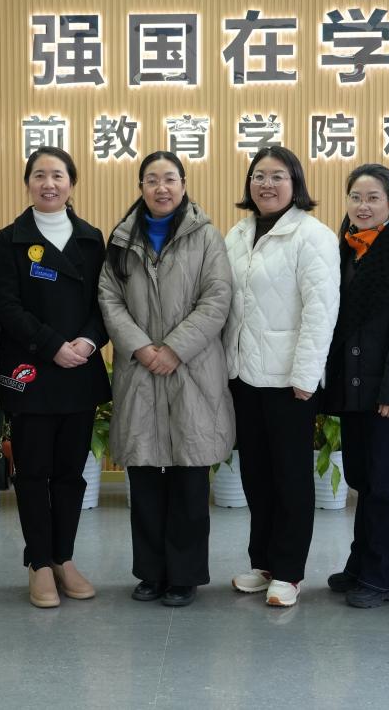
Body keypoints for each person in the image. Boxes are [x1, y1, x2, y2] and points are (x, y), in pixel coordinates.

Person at [97, 151, 234, 608]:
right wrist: (141, 347)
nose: (161, 188)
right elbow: (109, 298)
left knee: (189, 479)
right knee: (145, 480)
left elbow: (217, 298)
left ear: (183, 184)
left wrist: (175, 348)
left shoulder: (206, 236)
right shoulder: (122, 238)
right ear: (141, 187)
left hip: (192, 370)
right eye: (152, 180)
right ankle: (151, 573)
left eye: (170, 179)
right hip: (140, 370)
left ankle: (185, 575)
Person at [0, 147, 111, 608]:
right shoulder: (11, 239)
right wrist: (52, 345)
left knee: (70, 475)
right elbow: (6, 306)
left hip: (79, 371)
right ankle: (39, 562)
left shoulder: (90, 239)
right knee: (33, 473)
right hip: (31, 373)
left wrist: (88, 343)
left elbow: (105, 303)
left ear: (71, 183)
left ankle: (64, 557)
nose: (49, 183)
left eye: (58, 175)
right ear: (28, 183)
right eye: (39, 175)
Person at [224, 146, 340, 608]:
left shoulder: (313, 236)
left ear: (296, 184)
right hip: (243, 375)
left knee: (291, 478)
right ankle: (264, 563)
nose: (266, 184)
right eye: (259, 176)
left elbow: (321, 312)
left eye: (277, 176)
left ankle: (289, 572)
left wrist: (307, 375)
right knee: (256, 475)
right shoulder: (238, 233)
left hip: (290, 380)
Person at [320, 164, 389, 608]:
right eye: (356, 197)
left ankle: (383, 578)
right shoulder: (343, 249)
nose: (363, 206)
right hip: (353, 388)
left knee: (386, 485)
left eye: (373, 198)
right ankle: (360, 564)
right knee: (363, 478)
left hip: (386, 394)